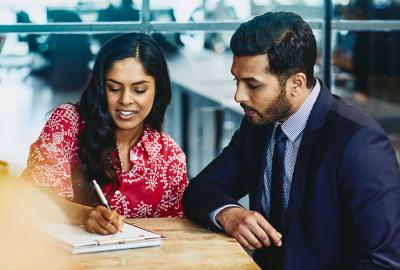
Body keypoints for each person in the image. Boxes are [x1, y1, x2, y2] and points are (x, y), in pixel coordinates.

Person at [183, 12, 400, 269]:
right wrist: (229, 214)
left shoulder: (358, 142)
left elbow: (383, 262)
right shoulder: (259, 124)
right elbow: (200, 191)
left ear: (296, 83)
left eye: (252, 85)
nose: (238, 95)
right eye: (237, 80)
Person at [22, 33, 188, 235]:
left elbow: (172, 234)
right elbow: (34, 196)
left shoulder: (170, 158)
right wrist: (83, 215)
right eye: (114, 88)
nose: (126, 100)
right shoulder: (68, 123)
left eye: (139, 90)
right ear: (101, 87)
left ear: (158, 90)